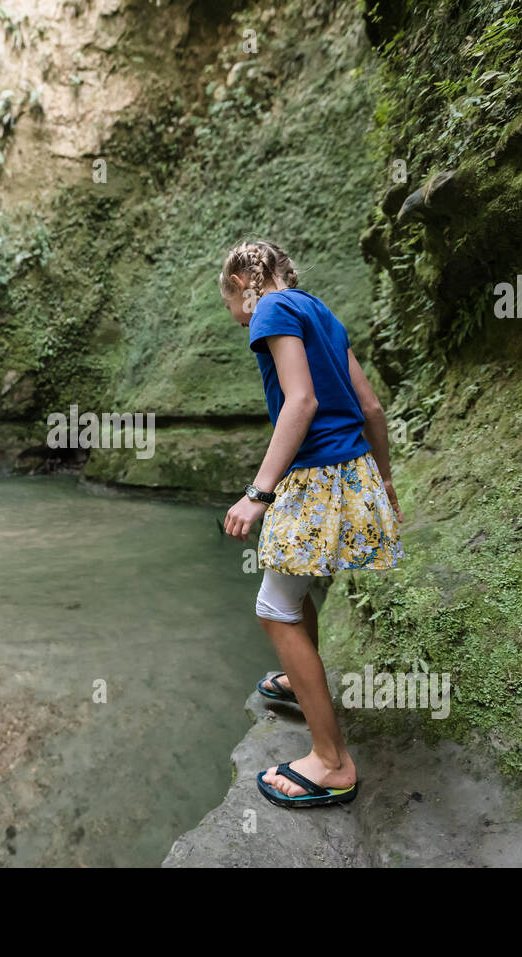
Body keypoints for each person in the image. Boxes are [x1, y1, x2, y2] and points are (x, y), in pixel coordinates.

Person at [219, 239, 404, 808]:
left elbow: (300, 403)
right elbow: (371, 407)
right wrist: (386, 481)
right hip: (352, 471)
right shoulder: (319, 311)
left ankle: (331, 762)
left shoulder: (270, 310)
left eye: (228, 302)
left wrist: (257, 493)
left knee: (272, 610)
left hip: (315, 475)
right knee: (293, 593)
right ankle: (305, 689)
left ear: (242, 288)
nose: (234, 316)